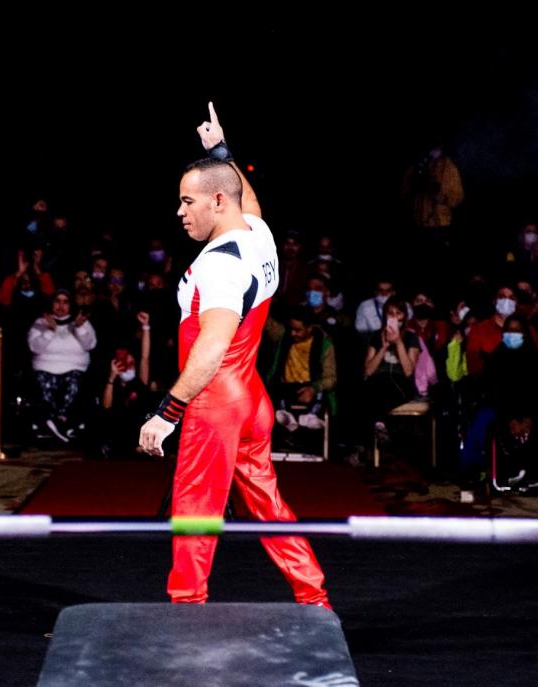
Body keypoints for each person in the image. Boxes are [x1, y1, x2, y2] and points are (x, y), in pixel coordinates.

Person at [138, 103, 330, 609]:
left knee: (194, 514)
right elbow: (250, 202)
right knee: (268, 505)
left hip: (215, 400)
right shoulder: (258, 234)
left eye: (187, 202)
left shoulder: (221, 268)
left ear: (218, 201)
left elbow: (212, 345)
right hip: (251, 400)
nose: (179, 212)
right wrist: (221, 153)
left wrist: (167, 412)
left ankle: (186, 611)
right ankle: (315, 597)